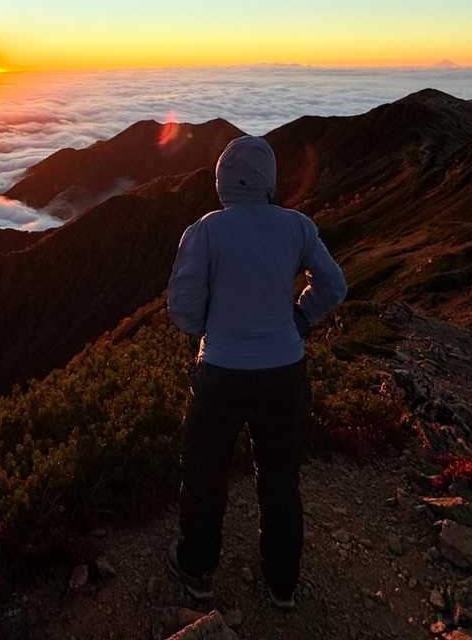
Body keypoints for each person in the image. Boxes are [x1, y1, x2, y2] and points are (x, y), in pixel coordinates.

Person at [165, 134, 347, 608]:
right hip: (285, 370)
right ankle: (282, 584)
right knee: (280, 477)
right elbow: (333, 284)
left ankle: (197, 569)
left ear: (221, 180)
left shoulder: (206, 231)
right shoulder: (297, 227)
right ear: (269, 180)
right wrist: (301, 319)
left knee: (205, 473)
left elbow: (182, 305)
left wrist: (211, 330)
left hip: (220, 372)